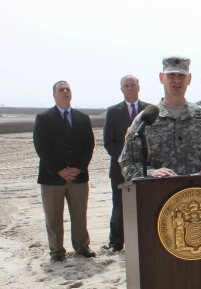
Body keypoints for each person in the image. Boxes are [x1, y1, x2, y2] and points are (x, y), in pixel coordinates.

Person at [119, 56, 201, 180]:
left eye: (182, 76)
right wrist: (150, 173)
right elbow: (128, 163)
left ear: (189, 79)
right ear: (162, 78)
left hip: (199, 194)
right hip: (158, 194)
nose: (177, 80)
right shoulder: (145, 120)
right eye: (171, 75)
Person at [33, 81, 96, 262]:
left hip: (78, 177)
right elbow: (41, 147)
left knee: (79, 215)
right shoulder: (43, 118)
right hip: (52, 178)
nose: (65, 92)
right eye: (61, 90)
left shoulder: (83, 118)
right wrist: (59, 170)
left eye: (68, 89)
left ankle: (82, 247)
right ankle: (56, 251)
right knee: (53, 217)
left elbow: (89, 145)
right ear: (54, 95)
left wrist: (78, 168)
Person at [102, 75, 149, 252]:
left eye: (132, 85)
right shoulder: (113, 112)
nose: (129, 88)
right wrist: (123, 159)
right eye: (126, 86)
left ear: (139, 87)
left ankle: (144, 239)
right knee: (119, 206)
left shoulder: (149, 109)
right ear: (121, 89)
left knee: (144, 204)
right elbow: (108, 142)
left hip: (146, 167)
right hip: (119, 168)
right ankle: (116, 242)